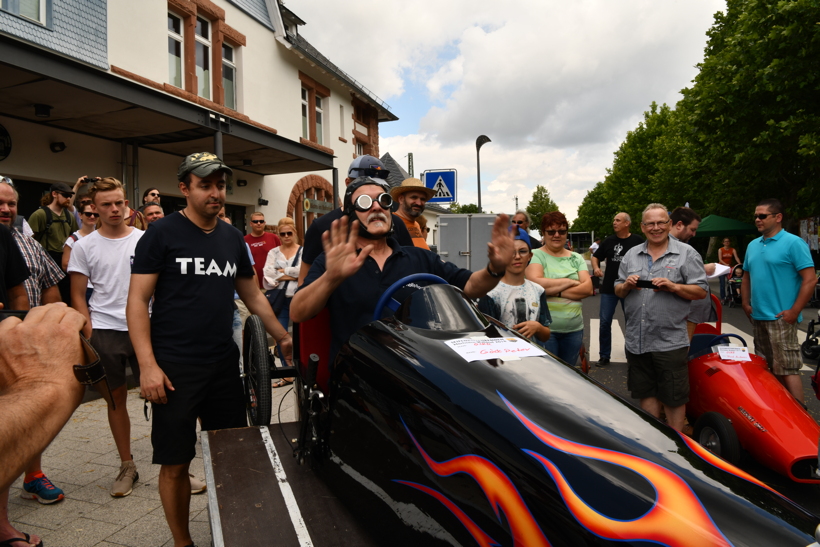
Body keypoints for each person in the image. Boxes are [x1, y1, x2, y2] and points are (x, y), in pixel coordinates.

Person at [127, 152, 292, 547]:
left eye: (220, 185)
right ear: (184, 188)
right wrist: (147, 366)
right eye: (206, 185)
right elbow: (136, 302)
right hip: (175, 369)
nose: (216, 193)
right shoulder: (161, 234)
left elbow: (252, 295)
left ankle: (234, 533)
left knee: (230, 454)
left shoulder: (233, 238)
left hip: (222, 365)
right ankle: (183, 543)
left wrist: (282, 336)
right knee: (175, 462)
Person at [291, 176, 514, 366]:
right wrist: (331, 277)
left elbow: (472, 286)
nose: (377, 207)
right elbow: (298, 313)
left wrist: (495, 268)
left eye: (383, 201)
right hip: (358, 374)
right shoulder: (333, 261)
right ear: (350, 215)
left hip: (418, 370)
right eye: (365, 202)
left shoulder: (419, 257)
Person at [68, 177, 145, 498]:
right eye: (106, 205)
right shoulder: (84, 246)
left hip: (146, 327)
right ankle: (127, 465)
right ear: (93, 209)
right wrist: (90, 334)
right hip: (105, 330)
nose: (114, 209)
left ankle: (178, 466)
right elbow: (77, 296)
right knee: (116, 400)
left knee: (165, 395)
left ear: (127, 204)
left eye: (119, 203)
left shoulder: (145, 240)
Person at [1, 182, 66, 507]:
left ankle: (33, 476)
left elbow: (50, 287)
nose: (6, 210)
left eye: (12, 204)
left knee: (28, 413)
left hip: (22, 344)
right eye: (0, 203)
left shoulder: (29, 244)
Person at [614, 203, 707, 431]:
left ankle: (678, 448)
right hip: (638, 339)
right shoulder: (631, 254)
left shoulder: (687, 254)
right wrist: (626, 285)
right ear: (643, 227)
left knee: (674, 398)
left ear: (669, 224)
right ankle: (654, 444)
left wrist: (674, 287)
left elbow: (701, 291)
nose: (656, 228)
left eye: (660, 223)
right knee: (646, 393)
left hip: (670, 340)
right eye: (650, 224)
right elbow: (617, 288)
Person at [742, 198, 815, 405]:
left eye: (762, 216)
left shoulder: (793, 243)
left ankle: (801, 417)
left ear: (778, 217)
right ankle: (778, 413)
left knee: (788, 368)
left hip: (782, 317)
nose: (757, 219)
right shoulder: (753, 245)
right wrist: (746, 303)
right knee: (766, 369)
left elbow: (810, 279)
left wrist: (794, 311)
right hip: (758, 317)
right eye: (756, 216)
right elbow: (746, 276)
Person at [297, 155, 414, 284]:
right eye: (362, 181)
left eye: (377, 184)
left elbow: (409, 264)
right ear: (348, 183)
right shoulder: (321, 226)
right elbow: (304, 280)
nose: (369, 187)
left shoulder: (395, 223)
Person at [0, 221, 37, 547]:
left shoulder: (2, 236)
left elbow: (16, 291)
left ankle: (1, 524)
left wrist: (16, 332)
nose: (6, 209)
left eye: (11, 203)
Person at [525, 211, 593, 364]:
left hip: (574, 330)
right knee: (549, 378)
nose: (557, 235)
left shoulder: (576, 258)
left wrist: (556, 290)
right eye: (551, 231)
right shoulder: (536, 255)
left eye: (562, 231)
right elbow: (536, 285)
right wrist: (571, 282)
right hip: (546, 331)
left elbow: (588, 289)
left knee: (568, 377)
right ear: (543, 233)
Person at [478, 228, 551, 344]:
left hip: (533, 359)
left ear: (530, 256)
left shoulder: (538, 290)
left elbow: (546, 335)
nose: (517, 256)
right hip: (503, 360)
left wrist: (537, 327)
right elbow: (486, 338)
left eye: (522, 251)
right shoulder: (491, 293)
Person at [590, 212, 644, 367]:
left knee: (632, 322)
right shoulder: (608, 241)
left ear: (627, 223)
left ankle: (632, 353)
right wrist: (595, 268)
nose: (614, 222)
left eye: (618, 220)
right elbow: (595, 256)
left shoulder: (638, 241)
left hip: (630, 288)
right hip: (609, 288)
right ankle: (604, 355)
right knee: (605, 322)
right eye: (614, 220)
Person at [263, 218, 302, 387]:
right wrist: (293, 274)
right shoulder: (273, 252)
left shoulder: (302, 251)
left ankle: (303, 369)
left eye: (289, 233)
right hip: (280, 299)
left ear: (294, 233)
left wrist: (282, 271)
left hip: (299, 298)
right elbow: (268, 273)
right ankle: (287, 373)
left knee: (302, 336)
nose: (286, 236)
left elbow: (304, 272)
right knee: (281, 335)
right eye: (282, 234)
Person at [668, 207, 716, 339]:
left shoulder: (680, 247)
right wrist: (703, 269)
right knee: (679, 355)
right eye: (692, 229)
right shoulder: (669, 245)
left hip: (688, 314)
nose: (694, 234)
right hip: (681, 315)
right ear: (679, 225)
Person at [28, 181, 79, 304]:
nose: (68, 198)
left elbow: (76, 238)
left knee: (67, 297)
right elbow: (28, 240)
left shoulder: (69, 216)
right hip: (46, 260)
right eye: (65, 195)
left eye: (70, 196)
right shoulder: (40, 214)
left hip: (65, 260)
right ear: (55, 194)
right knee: (49, 299)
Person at [390, 177, 433, 249]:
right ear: (401, 199)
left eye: (422, 199)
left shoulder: (416, 224)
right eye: (414, 197)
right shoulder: (391, 224)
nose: (419, 203)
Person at [244, 211, 280, 288]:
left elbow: (281, 258)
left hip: (272, 283)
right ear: (251, 224)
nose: (259, 223)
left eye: (261, 221)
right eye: (255, 221)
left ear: (264, 223)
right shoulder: (244, 240)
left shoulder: (274, 238)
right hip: (253, 285)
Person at [718, 237, 741, 303]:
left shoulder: (732, 250)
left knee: (731, 282)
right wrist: (725, 264)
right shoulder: (721, 249)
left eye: (728, 241)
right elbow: (720, 259)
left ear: (730, 242)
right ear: (723, 243)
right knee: (722, 284)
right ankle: (722, 297)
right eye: (725, 241)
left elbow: (736, 257)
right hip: (721, 268)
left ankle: (730, 296)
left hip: (728, 268)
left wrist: (739, 264)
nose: (727, 242)